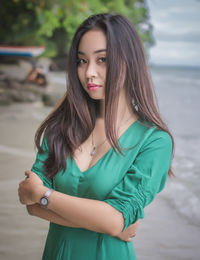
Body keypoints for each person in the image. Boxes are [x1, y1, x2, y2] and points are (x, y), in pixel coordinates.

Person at [18, 13, 174, 260]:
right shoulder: (61, 127)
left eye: (102, 59)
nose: (89, 72)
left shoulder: (154, 141)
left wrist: (45, 195)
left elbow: (114, 219)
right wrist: (105, 221)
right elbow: (30, 203)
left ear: (129, 62)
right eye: (81, 61)